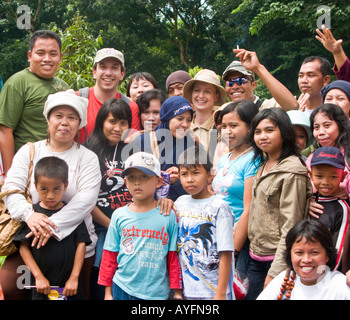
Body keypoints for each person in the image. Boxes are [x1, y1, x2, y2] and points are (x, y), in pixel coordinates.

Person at [0, 89, 101, 300]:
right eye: (59, 116)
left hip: (73, 242)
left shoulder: (87, 158)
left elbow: (86, 201)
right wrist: (30, 216)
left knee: (77, 293)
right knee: (11, 287)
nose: (64, 122)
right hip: (30, 237)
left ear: (79, 123)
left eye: (71, 117)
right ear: (48, 120)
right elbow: (11, 190)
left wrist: (50, 226)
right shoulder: (28, 152)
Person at [245, 108, 313, 300]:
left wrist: (275, 271)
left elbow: (291, 225)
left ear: (284, 132)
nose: (262, 136)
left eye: (269, 130)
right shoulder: (263, 164)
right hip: (255, 254)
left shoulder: (292, 171)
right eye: (257, 132)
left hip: (277, 258)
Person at [98, 152, 182, 300]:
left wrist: (177, 292)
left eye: (144, 177)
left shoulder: (168, 215)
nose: (137, 182)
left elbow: (172, 257)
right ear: (125, 181)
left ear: (159, 181)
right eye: (132, 178)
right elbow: (110, 254)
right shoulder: (119, 215)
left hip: (156, 293)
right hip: (122, 287)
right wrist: (107, 293)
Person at [13, 156, 91, 300]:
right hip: (42, 286)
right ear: (35, 186)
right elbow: (22, 245)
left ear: (65, 186)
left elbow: (81, 243)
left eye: (56, 189)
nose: (50, 195)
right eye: (44, 189)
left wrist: (74, 277)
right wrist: (38, 277)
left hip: (69, 286)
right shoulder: (33, 215)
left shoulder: (71, 214)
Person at [0, 30, 69, 181]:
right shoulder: (18, 82)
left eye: (52, 53)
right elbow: (5, 130)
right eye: (40, 53)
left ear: (60, 57)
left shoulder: (63, 86)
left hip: (58, 166)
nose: (47, 59)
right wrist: (10, 173)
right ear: (30, 56)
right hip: (28, 166)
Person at [84, 98, 133, 299]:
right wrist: (113, 225)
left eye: (123, 123)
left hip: (130, 226)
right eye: (112, 121)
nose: (118, 128)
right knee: (102, 276)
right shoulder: (88, 151)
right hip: (102, 226)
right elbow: (86, 200)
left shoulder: (132, 149)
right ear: (101, 122)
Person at [175, 145, 235, 300]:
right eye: (184, 174)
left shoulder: (220, 207)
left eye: (196, 173)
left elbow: (226, 253)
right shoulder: (179, 203)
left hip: (213, 291)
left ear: (210, 175)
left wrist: (220, 294)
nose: (189, 179)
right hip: (187, 290)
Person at [211, 100, 260, 277]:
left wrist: (234, 251)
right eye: (223, 126)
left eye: (234, 125)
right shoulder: (226, 157)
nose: (227, 131)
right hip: (217, 234)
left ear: (250, 127)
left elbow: (249, 209)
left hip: (236, 240)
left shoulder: (254, 160)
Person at [257, 219, 350, 300]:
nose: (306, 260)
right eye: (299, 253)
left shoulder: (340, 286)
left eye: (314, 252)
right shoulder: (284, 280)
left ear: (327, 255)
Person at [126, 96, 197, 202]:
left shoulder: (190, 143)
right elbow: (131, 178)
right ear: (167, 118)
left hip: (180, 207)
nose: (185, 124)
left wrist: (180, 176)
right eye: (180, 118)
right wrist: (161, 178)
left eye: (189, 120)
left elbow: (197, 181)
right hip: (147, 206)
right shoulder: (142, 141)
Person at [77, 48, 141, 143]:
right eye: (103, 67)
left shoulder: (131, 107)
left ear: (122, 74)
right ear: (94, 72)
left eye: (114, 68)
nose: (108, 73)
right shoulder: (77, 100)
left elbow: (132, 146)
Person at [309, 146, 349, 271]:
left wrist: (324, 274)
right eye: (320, 176)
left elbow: (339, 250)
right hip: (304, 268)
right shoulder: (307, 202)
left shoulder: (342, 208)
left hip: (326, 274)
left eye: (333, 177)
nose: (326, 182)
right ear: (310, 175)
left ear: (343, 177)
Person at [222, 48, 299, 111]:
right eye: (230, 83)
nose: (235, 87)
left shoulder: (268, 108)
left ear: (253, 85)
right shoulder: (223, 112)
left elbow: (292, 106)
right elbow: (214, 130)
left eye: (241, 81)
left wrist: (258, 67)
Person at [303, 104, 350, 196]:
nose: (321, 132)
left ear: (340, 126)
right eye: (316, 127)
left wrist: (348, 190)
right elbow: (306, 186)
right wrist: (309, 201)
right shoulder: (312, 158)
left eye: (327, 125)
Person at [183, 69, 227, 151]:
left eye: (207, 91)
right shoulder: (183, 124)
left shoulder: (221, 124)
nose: (201, 96)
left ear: (216, 97)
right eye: (197, 90)